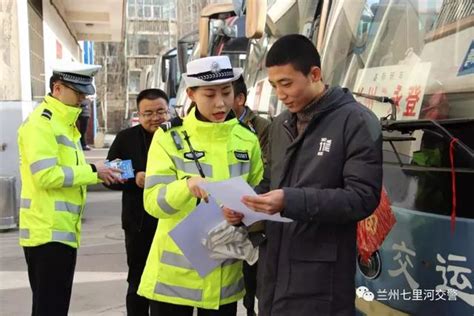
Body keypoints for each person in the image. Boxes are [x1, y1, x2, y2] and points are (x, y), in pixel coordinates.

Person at [224, 34, 383, 315]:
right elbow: (270, 183)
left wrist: (289, 200)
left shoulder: (356, 121)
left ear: (315, 74)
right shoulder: (280, 124)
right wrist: (246, 206)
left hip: (322, 280)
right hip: (274, 270)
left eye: (286, 83)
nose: (280, 94)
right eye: (274, 86)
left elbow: (362, 198)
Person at [137, 55, 264, 316]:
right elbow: (153, 202)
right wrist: (186, 186)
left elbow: (258, 196)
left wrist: (246, 213)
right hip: (175, 278)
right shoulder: (168, 138)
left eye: (226, 92)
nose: (220, 103)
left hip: (224, 274)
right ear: (191, 94)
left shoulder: (246, 139)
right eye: (209, 94)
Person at [17, 62, 122, 316]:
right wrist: (94, 172)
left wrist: (97, 170)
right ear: (57, 88)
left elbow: (66, 168)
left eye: (84, 93)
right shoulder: (42, 124)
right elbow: (46, 175)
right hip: (47, 232)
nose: (83, 99)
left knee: (53, 306)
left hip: (60, 230)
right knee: (50, 308)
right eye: (78, 93)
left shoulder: (64, 123)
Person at [105, 88, 170, 316]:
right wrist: (134, 175)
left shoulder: (178, 136)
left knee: (170, 282)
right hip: (138, 224)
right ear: (139, 115)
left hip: (172, 222)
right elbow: (108, 171)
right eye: (148, 113)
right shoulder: (126, 138)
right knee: (138, 280)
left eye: (161, 111)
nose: (155, 118)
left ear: (168, 110)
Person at [232, 75, 270, 316]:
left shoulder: (262, 128)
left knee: (253, 278)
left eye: (226, 95)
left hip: (253, 218)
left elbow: (266, 171)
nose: (219, 103)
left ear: (240, 99)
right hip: (225, 218)